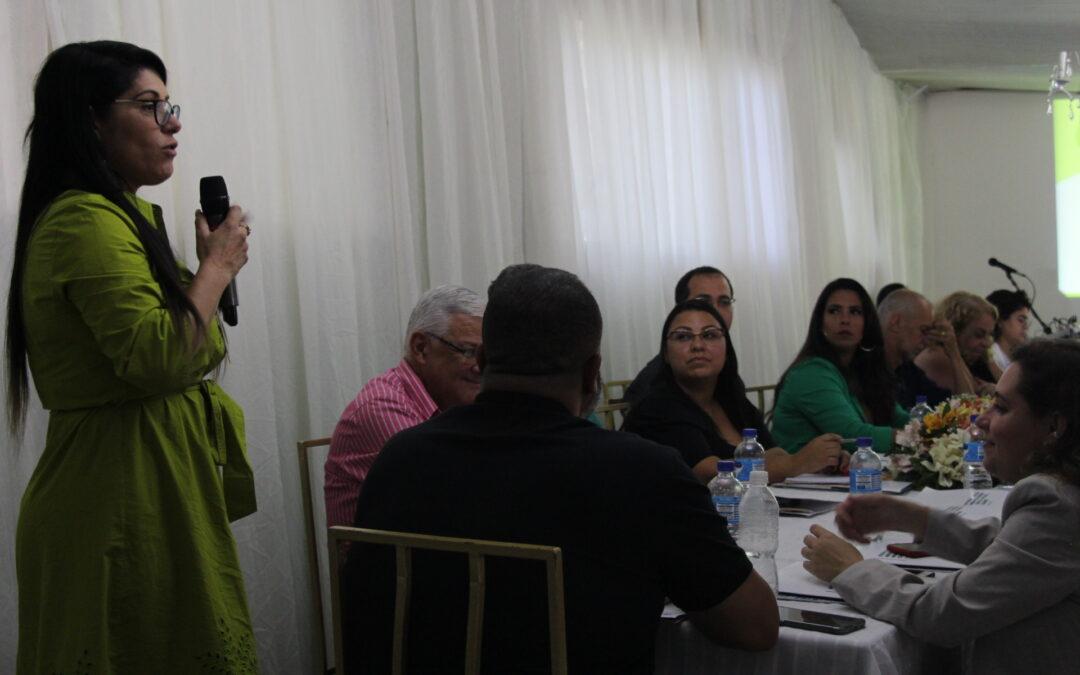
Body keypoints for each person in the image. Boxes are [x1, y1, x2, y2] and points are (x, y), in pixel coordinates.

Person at [341, 264, 778, 674]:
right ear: (592, 374)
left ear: (484, 359)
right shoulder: (643, 472)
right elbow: (755, 627)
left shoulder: (401, 459)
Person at [7, 42, 257, 673]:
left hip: (156, 478)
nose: (172, 124)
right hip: (116, 494)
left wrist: (207, 277)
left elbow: (192, 345)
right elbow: (159, 357)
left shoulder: (124, 217)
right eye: (149, 107)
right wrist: (215, 268)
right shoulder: (83, 221)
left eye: (170, 106)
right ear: (91, 120)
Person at [802, 339, 1080, 675]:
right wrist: (915, 519)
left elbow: (942, 614)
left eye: (1002, 408)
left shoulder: (1058, 506)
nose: (982, 420)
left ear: (1054, 427)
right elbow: (1014, 548)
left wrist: (850, 570)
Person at [623, 299, 845, 484]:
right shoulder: (655, 408)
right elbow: (710, 474)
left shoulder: (732, 401)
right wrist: (796, 463)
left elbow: (775, 454)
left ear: (726, 348)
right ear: (665, 353)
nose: (697, 345)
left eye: (710, 335)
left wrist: (823, 460)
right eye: (683, 336)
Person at [324, 285, 483, 527]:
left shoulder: (449, 399)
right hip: (388, 551)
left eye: (485, 355)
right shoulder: (382, 407)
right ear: (421, 348)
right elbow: (457, 493)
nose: (480, 367)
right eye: (469, 351)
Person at [771, 278, 908, 454]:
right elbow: (851, 436)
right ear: (820, 322)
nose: (844, 320)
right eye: (834, 311)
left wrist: (934, 429)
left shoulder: (863, 370)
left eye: (855, 312)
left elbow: (899, 418)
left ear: (867, 323)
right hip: (801, 471)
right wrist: (915, 438)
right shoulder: (810, 373)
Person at [624, 265, 735, 406]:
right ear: (681, 308)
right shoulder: (654, 382)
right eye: (703, 302)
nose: (716, 311)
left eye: (724, 302)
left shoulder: (727, 369)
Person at [914, 291, 999, 393]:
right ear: (955, 330)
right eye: (979, 335)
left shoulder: (971, 357)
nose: (987, 343)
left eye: (989, 335)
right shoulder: (936, 355)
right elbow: (967, 399)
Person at [878, 289, 950, 408]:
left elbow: (954, 406)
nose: (927, 341)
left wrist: (954, 353)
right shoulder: (864, 370)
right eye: (923, 330)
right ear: (895, 323)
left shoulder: (907, 370)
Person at [985, 289, 1032, 371]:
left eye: (1026, 321)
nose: (1026, 327)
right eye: (1021, 320)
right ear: (1000, 321)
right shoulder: (991, 356)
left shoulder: (1021, 360)